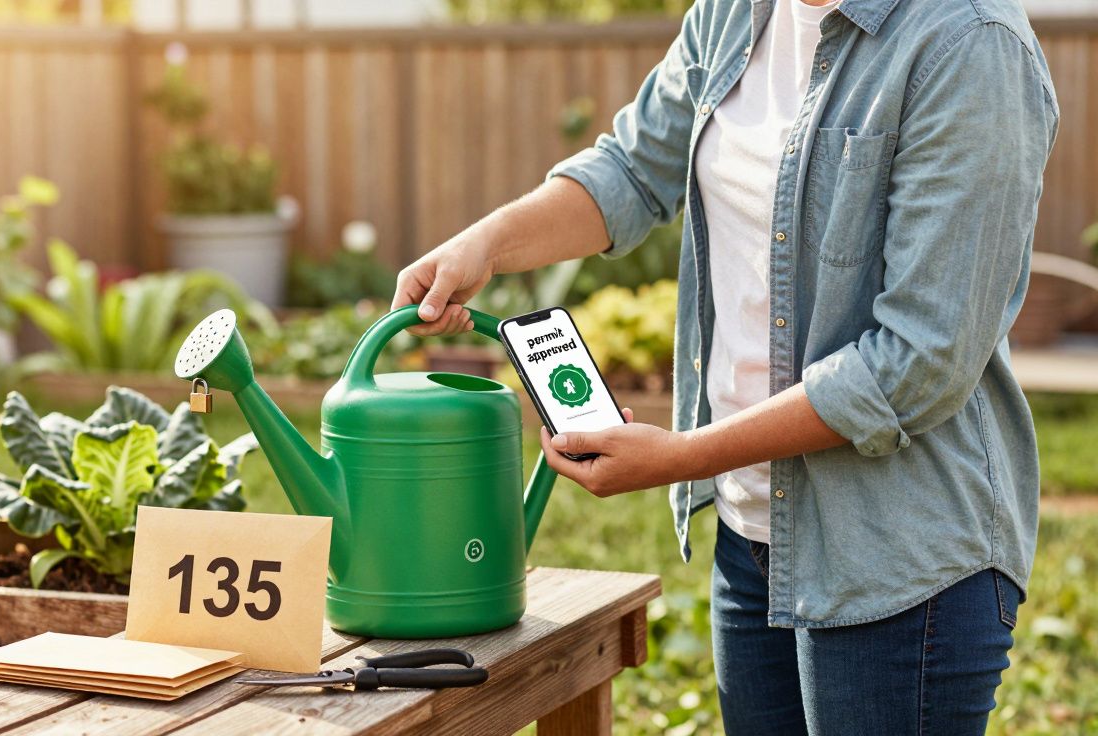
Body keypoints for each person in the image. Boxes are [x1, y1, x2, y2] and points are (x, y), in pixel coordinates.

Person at [389, 0, 1058, 733]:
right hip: (752, 539)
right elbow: (634, 170)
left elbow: (917, 361)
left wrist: (684, 456)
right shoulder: (734, 12)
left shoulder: (970, 44)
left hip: (901, 564)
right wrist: (486, 244)